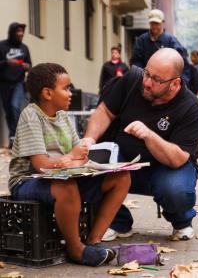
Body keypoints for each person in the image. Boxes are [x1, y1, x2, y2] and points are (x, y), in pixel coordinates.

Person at [8, 63, 131, 266]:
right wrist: (70, 158)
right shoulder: (31, 115)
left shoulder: (64, 116)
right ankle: (76, 249)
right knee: (66, 186)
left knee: (121, 178)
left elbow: (82, 154)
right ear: (47, 93)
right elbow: (41, 165)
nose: (70, 93)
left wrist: (74, 160)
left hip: (64, 176)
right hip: (27, 182)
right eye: (66, 88)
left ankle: (93, 241)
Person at [83, 48, 198, 241]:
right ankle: (117, 222)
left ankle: (181, 220)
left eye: (156, 80)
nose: (147, 83)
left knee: (175, 189)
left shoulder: (191, 108)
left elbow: (178, 158)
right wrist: (89, 139)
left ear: (174, 84)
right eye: (147, 73)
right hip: (124, 162)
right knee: (90, 165)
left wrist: (149, 135)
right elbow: (105, 111)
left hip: (165, 168)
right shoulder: (132, 80)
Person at [130, 9, 190, 83]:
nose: (154, 26)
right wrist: (143, 76)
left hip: (166, 83)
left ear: (162, 22)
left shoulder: (171, 41)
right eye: (152, 23)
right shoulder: (141, 40)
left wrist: (182, 82)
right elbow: (136, 61)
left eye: (157, 23)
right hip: (146, 82)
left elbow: (182, 64)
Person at [0, 22, 32, 147]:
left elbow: (30, 65)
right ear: (12, 33)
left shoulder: (24, 48)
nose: (21, 34)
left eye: (22, 32)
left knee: (15, 106)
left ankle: (18, 137)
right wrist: (6, 63)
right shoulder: (2, 46)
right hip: (3, 83)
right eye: (18, 32)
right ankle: (13, 138)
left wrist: (27, 66)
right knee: (9, 111)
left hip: (19, 82)